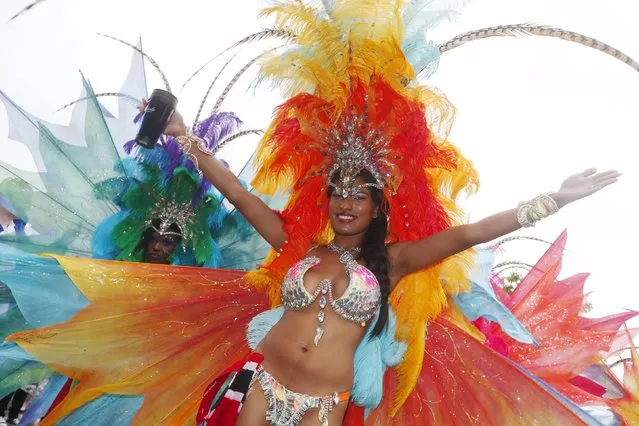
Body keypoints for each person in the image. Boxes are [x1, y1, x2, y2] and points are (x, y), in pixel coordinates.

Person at [2, 1, 636, 425]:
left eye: (361, 192)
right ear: (326, 197)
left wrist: (551, 199)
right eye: (338, 190)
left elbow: (470, 232)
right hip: (263, 381)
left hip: (323, 401)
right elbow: (241, 196)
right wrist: (187, 137)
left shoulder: (394, 261)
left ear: (379, 203)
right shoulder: (296, 245)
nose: (347, 200)